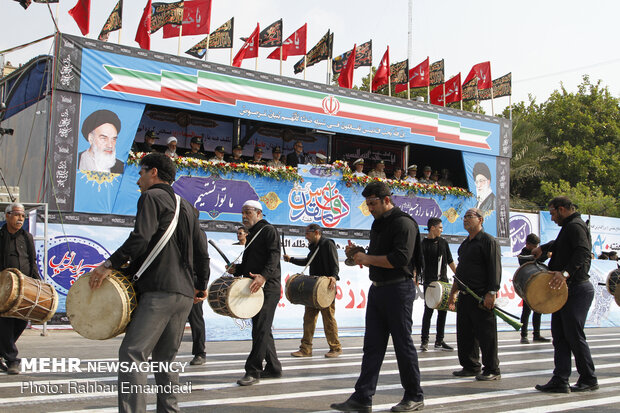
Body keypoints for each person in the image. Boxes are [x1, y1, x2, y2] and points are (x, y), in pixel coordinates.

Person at [88, 152, 210, 412]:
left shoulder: (151, 197)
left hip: (159, 290)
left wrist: (108, 265)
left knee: (132, 354)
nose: (138, 180)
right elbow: (202, 251)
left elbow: (140, 238)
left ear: (153, 172)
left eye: (141, 172)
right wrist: (202, 284)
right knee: (165, 359)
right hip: (184, 294)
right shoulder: (188, 207)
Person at [331, 181, 424, 413]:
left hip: (398, 290)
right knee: (372, 345)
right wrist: (357, 255)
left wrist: (367, 258)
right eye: (367, 204)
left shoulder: (404, 223)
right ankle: (362, 397)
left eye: (373, 203)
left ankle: (414, 395)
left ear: (386, 200)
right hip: (378, 289)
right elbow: (375, 256)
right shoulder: (378, 224)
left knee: (403, 344)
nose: (370, 208)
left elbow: (400, 259)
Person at [532, 196, 598, 393]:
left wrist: (565, 273)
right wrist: (543, 248)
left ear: (562, 209)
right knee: (560, 336)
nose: (552, 218)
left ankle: (589, 378)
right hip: (565, 291)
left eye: (552, 213)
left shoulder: (575, 226)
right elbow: (561, 244)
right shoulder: (570, 227)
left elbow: (583, 252)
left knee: (574, 335)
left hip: (577, 289)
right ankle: (560, 379)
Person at [228, 200, 282, 386]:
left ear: (259, 213)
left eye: (248, 212)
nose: (244, 216)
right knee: (262, 328)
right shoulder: (251, 235)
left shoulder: (268, 231)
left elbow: (274, 256)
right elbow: (252, 264)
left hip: (268, 287)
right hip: (256, 287)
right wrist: (237, 268)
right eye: (242, 213)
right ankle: (274, 368)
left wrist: (263, 277)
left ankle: (253, 371)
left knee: (260, 328)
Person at [447, 207, 501, 381]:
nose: (466, 220)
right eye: (465, 217)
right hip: (465, 295)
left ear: (481, 220)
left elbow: (494, 268)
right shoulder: (465, 244)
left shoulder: (488, 241)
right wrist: (453, 293)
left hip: (481, 295)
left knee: (486, 334)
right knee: (465, 333)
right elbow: (460, 272)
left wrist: (491, 292)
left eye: (470, 216)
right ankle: (470, 366)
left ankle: (492, 369)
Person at [283, 224, 342, 358]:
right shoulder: (314, 247)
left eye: (307, 234)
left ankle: (336, 348)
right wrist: (291, 259)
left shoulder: (328, 244)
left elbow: (335, 264)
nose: (306, 236)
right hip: (313, 288)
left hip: (326, 288)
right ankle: (305, 349)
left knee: (328, 319)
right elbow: (307, 261)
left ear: (316, 232)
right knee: (308, 319)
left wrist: (333, 277)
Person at [0, 203, 41, 375]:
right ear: (7, 216)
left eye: (23, 216)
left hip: (25, 286)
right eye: (17, 215)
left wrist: (37, 282)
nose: (20, 219)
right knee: (6, 322)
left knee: (22, 321)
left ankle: (3, 352)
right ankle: (12, 359)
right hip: (4, 287)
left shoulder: (27, 237)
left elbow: (32, 260)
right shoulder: (0, 236)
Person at [420, 217, 457, 352]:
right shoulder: (423, 244)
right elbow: (417, 264)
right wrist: (415, 277)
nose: (442, 230)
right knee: (428, 310)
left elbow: (450, 261)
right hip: (429, 282)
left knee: (443, 311)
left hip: (444, 281)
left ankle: (439, 341)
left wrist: (459, 275)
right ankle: (424, 340)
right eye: (440, 227)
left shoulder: (443, 243)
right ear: (432, 228)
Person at [517, 233, 550, 344]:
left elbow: (543, 257)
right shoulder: (523, 255)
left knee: (538, 310)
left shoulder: (538, 252)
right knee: (526, 312)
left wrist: (547, 254)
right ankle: (524, 335)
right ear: (528, 244)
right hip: (527, 286)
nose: (536, 248)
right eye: (534, 245)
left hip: (538, 286)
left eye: (537, 245)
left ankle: (536, 334)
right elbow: (529, 261)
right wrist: (542, 255)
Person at [78, 109, 124, 174]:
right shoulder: (76, 160)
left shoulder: (120, 167)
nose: (110, 145)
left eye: (113, 139)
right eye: (104, 138)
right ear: (91, 138)